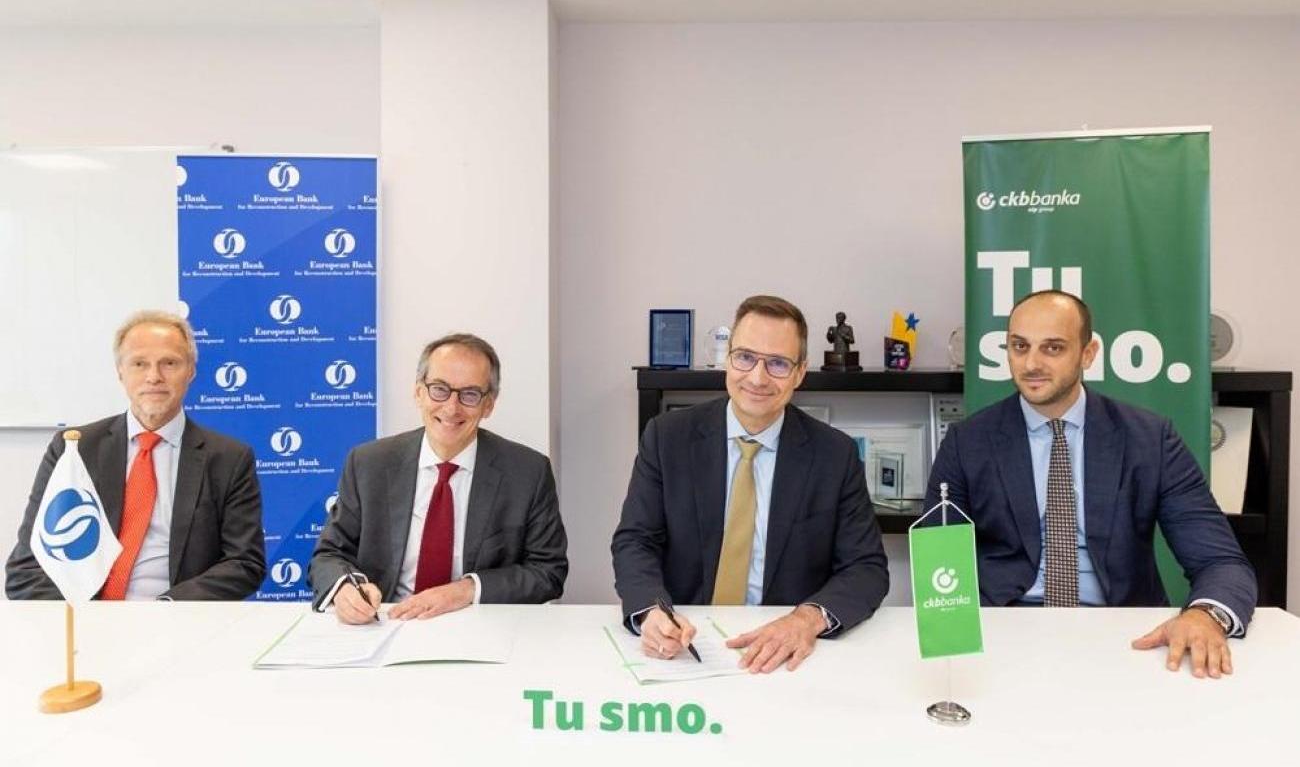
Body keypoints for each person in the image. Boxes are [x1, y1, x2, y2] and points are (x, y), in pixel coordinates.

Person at [925, 290, 1256, 679]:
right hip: (1002, 631)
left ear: (1088, 353)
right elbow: (938, 561)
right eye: (1020, 346)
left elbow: (1220, 560)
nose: (1031, 364)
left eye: (1053, 348)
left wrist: (1205, 614)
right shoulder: (967, 442)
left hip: (1123, 634)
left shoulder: (1150, 439)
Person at [612, 295, 889, 673]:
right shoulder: (667, 437)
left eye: (778, 363)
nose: (757, 378)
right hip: (687, 644)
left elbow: (866, 568)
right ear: (728, 359)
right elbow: (635, 540)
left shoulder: (834, 455)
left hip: (784, 651)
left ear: (799, 373)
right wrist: (651, 611)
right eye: (745, 357)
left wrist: (805, 620)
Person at [6, 310, 266, 600]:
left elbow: (243, 563)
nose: (154, 377)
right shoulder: (74, 449)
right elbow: (27, 568)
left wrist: (168, 609)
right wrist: (82, 619)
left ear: (191, 371)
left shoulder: (229, 459)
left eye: (169, 363)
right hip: (85, 618)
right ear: (120, 372)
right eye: (139, 364)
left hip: (176, 617)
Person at [309, 333, 568, 624]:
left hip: (479, 624)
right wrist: (346, 588)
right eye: (439, 389)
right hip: (388, 620)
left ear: (489, 405)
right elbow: (329, 554)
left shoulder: (528, 472)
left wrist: (466, 590)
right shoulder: (368, 463)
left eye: (470, 394)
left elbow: (548, 571)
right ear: (419, 392)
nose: (452, 407)